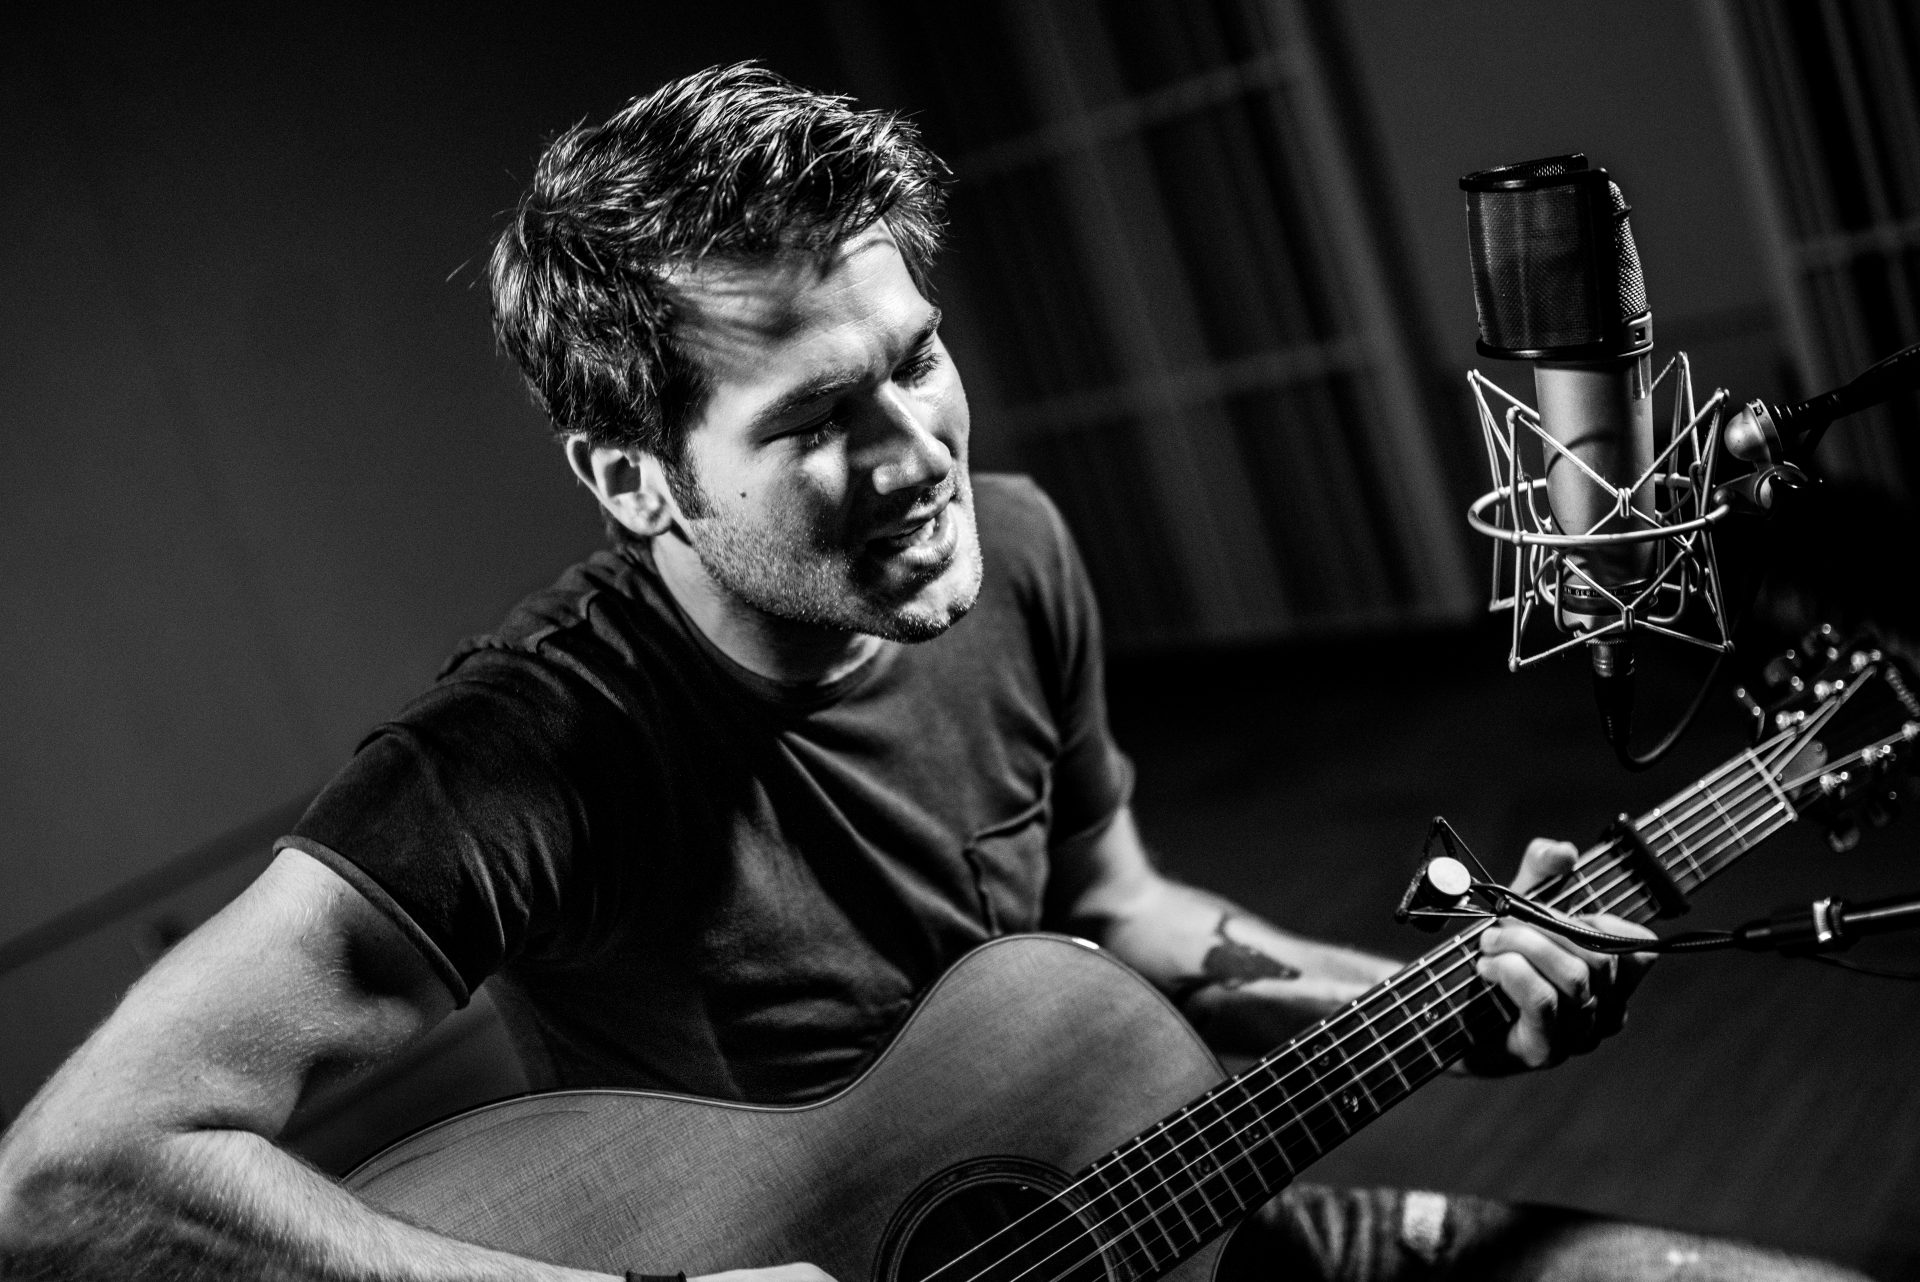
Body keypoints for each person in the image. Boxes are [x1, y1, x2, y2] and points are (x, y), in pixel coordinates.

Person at [0, 64, 1870, 1282]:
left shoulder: (1021, 547)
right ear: (633, 472)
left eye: (920, 356)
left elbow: (1111, 910)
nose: (917, 456)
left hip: (1150, 1209)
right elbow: (74, 1175)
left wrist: (1443, 989)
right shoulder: (523, 755)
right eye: (821, 414)